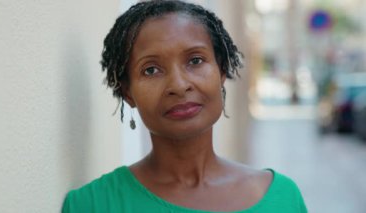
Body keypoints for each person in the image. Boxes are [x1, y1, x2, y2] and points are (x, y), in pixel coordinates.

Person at [62, 0, 307, 212]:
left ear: (221, 70)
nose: (178, 85)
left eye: (195, 60)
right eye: (151, 69)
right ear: (128, 92)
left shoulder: (283, 199)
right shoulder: (91, 205)